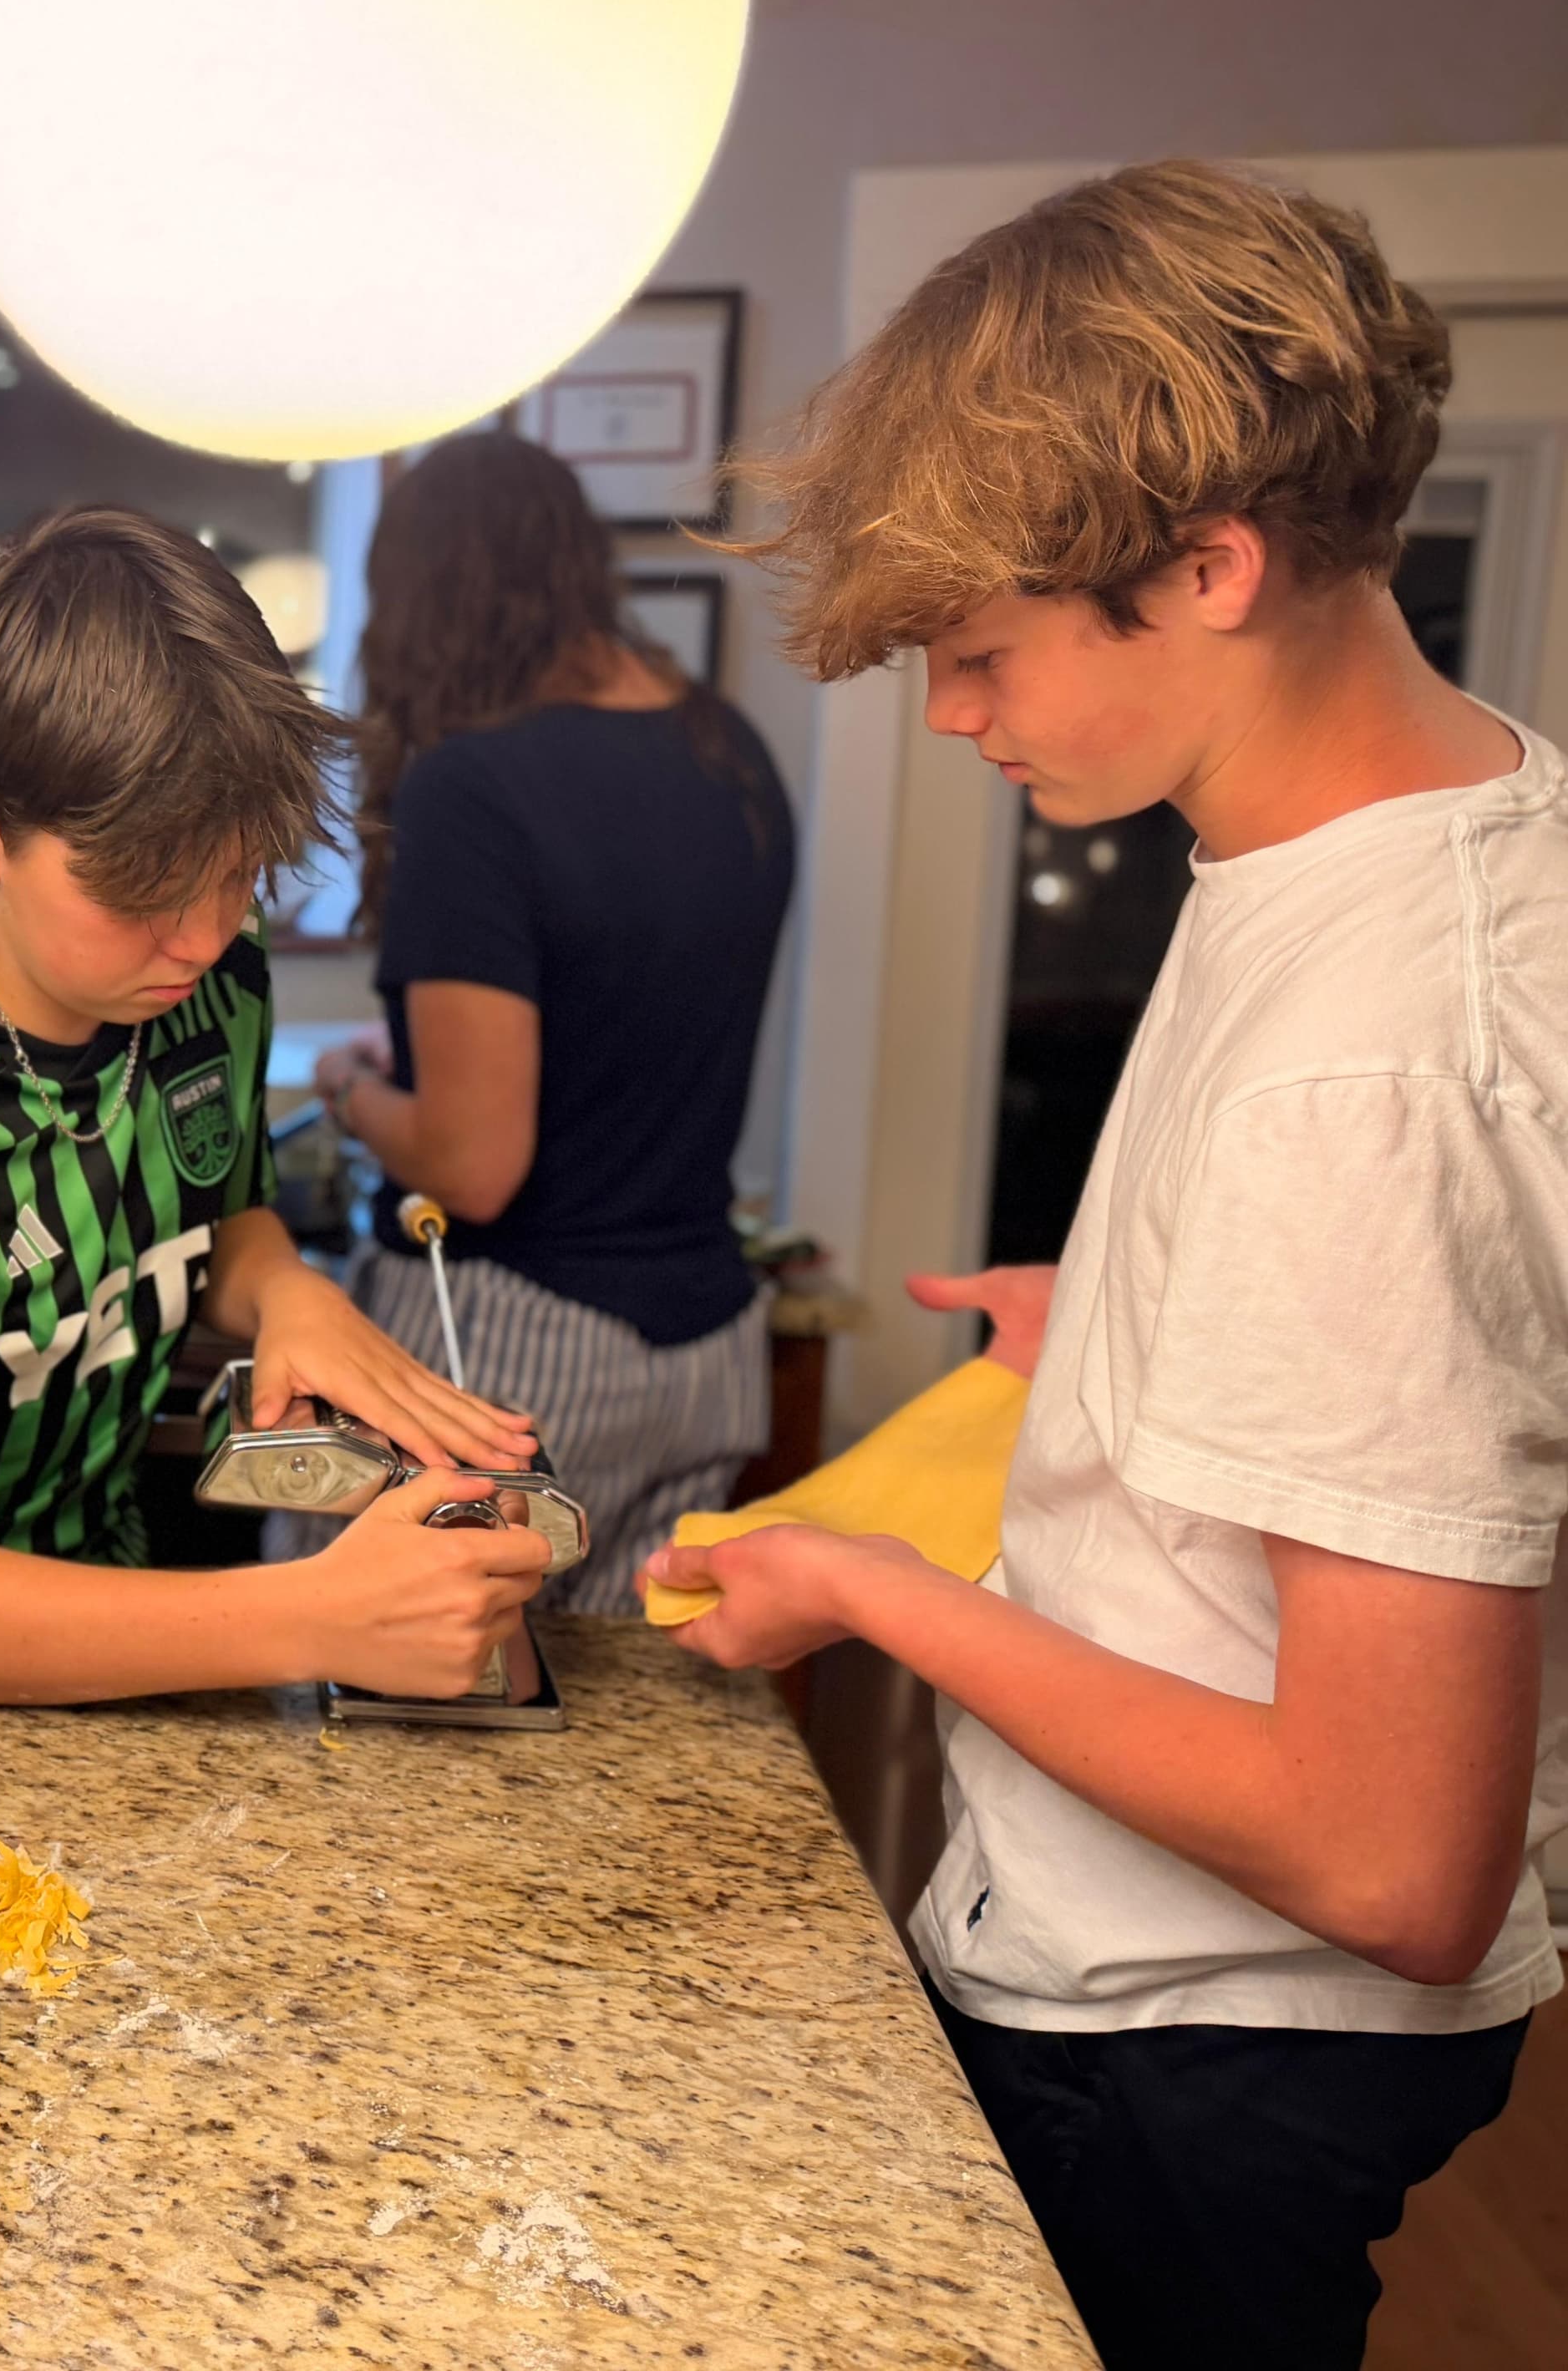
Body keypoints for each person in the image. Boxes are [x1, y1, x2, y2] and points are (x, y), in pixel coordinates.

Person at [647, 161, 1562, 2370]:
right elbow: (1464, 1343)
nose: (953, 715)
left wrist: (875, 1591)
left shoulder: (1358, 1077)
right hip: (1218, 2019)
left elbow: (1392, 1860)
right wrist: (1143, 1336)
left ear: (1211, 568)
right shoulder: (1453, 832)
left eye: (981, 652)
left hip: (1199, 2041)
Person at [0, 505, 551, 1707]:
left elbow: (213, 1214)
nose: (203, 937)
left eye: (238, 874)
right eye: (144, 894)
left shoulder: (214, 976)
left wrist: (285, 1288)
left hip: (104, 1600)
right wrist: (314, 1618)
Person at [307, 431, 794, 1612]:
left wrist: (351, 1090)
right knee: (619, 1708)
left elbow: (475, 1166)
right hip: (709, 1344)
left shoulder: (470, 788)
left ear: (420, 604)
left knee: (380, 1682)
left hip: (515, 1347)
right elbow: (629, 1022)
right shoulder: (725, 746)